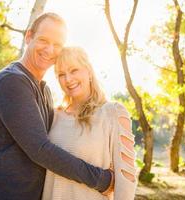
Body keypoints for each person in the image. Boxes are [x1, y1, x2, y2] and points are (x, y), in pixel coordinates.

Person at [0, 13, 114, 200]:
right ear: (28, 37)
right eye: (43, 40)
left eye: (57, 45)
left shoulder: (44, 90)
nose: (50, 49)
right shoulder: (11, 81)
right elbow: (40, 149)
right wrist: (102, 180)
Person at [42, 47, 137, 200]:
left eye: (74, 70)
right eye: (61, 74)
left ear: (89, 71)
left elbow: (126, 178)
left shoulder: (113, 113)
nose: (68, 79)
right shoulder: (53, 116)